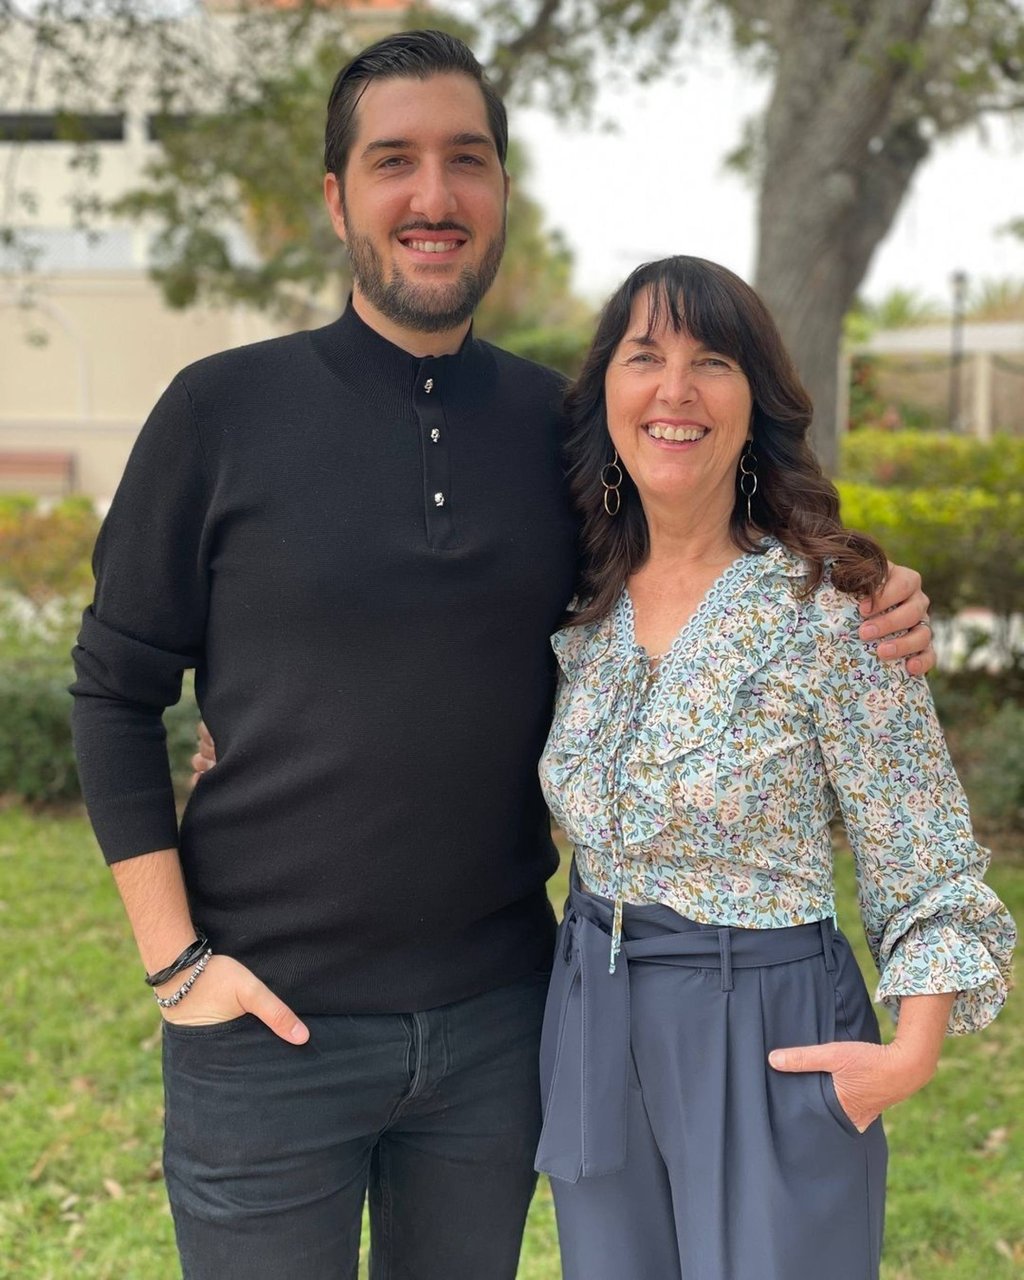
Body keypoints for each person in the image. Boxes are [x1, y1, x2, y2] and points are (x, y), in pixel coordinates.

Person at [70, 30, 935, 1280]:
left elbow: (702, 546)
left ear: (502, 195)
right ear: (337, 196)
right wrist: (176, 962)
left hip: (501, 1023)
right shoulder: (219, 413)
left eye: (465, 160)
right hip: (263, 1025)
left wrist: (874, 584)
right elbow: (113, 688)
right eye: (393, 162)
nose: (433, 197)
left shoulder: (562, 432)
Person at [532, 255, 1016, 1280]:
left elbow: (923, 860)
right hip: (593, 1013)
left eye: (711, 360)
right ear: (607, 396)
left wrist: (906, 1054)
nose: (675, 389)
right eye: (645, 356)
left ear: (755, 404)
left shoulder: (832, 607)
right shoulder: (577, 595)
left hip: (765, 1026)